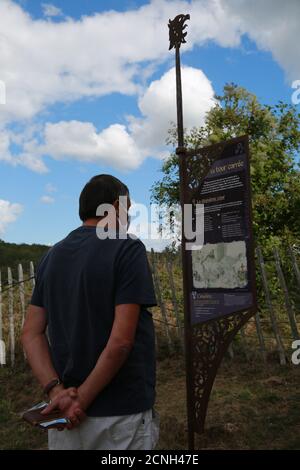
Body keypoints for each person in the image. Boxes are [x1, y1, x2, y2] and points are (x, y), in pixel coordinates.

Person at [21, 174, 159, 450]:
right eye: (127, 209)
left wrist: (56, 392)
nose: (128, 217)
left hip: (64, 418)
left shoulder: (51, 256)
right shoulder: (127, 248)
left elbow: (31, 333)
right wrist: (80, 400)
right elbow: (120, 342)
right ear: (113, 208)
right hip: (121, 416)